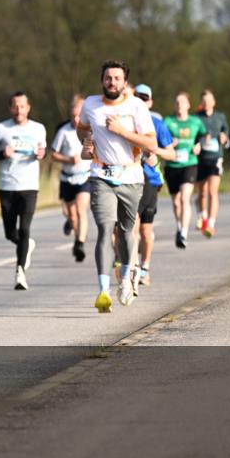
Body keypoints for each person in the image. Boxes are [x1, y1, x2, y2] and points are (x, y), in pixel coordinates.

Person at [77, 60, 157, 312]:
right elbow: (82, 129)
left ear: (125, 83)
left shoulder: (136, 106)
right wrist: (87, 142)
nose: (112, 82)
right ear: (102, 80)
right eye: (108, 78)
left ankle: (126, 275)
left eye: (117, 78)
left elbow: (151, 144)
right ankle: (102, 291)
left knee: (125, 231)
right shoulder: (90, 104)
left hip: (131, 177)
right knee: (104, 228)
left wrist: (122, 131)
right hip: (101, 174)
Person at [0, 92, 47, 289]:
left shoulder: (38, 128)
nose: (19, 110)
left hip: (29, 186)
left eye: (22, 106)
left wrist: (41, 154)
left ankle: (20, 273)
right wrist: (2, 153)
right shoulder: (1, 129)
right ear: (10, 108)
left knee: (25, 229)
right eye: (15, 106)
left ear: (29, 108)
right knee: (11, 233)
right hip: (7, 185)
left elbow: (43, 151)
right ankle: (26, 245)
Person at [130, 84, 176, 289]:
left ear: (150, 102)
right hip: (130, 179)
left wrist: (155, 153)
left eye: (144, 98)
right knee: (132, 227)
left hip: (151, 179)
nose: (141, 101)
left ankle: (145, 267)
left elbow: (171, 154)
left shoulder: (158, 124)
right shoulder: (126, 123)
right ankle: (132, 266)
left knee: (146, 232)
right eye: (137, 97)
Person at [163, 92, 206, 250]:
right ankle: (179, 225)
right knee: (176, 202)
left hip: (189, 164)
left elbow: (204, 135)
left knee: (184, 198)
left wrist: (198, 145)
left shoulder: (195, 122)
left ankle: (184, 233)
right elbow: (159, 139)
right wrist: (167, 143)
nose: (179, 105)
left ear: (188, 105)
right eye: (177, 102)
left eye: (182, 102)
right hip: (172, 165)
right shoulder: (168, 121)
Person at [51, 95, 91, 263]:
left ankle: (80, 243)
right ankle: (75, 234)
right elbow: (53, 154)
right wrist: (68, 159)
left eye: (78, 115)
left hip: (84, 177)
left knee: (81, 211)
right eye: (73, 115)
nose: (75, 119)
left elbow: (95, 151)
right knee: (71, 215)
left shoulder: (90, 129)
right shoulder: (63, 131)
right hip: (67, 177)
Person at [194, 90, 230, 237]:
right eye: (204, 100)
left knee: (212, 191)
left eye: (209, 100)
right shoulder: (196, 118)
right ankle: (203, 216)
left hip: (216, 158)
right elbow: (192, 136)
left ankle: (211, 223)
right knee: (202, 192)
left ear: (214, 102)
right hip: (200, 159)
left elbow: (226, 136)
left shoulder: (220, 117)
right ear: (201, 103)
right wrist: (199, 142)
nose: (206, 103)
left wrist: (224, 138)